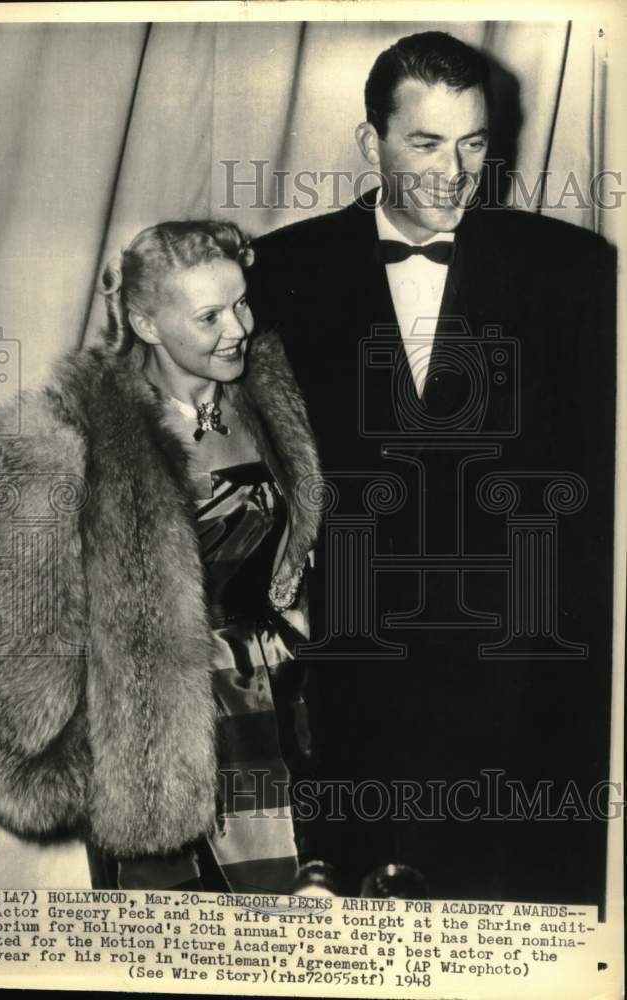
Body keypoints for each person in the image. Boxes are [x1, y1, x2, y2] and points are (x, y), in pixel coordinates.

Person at [247, 31, 617, 903]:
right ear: (369, 141)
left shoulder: (575, 272)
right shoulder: (283, 268)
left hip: (524, 677)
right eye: (425, 142)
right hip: (349, 681)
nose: (455, 172)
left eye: (475, 142)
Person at [0, 220, 321, 893]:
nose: (239, 328)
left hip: (287, 721)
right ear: (147, 324)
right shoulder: (60, 436)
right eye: (210, 315)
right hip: (158, 747)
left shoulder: (273, 396)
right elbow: (31, 639)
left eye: (242, 303)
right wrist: (64, 757)